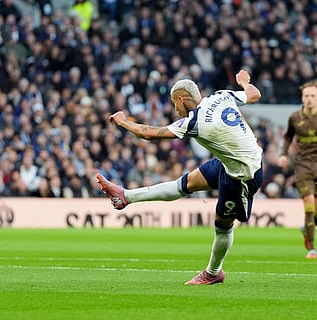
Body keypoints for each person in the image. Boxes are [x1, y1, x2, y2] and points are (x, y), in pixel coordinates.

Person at [96, 69, 263, 285]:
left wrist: (123, 122)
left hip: (243, 176)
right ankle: (125, 196)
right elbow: (254, 94)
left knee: (223, 224)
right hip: (230, 163)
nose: (175, 110)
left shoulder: (194, 122)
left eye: (175, 104)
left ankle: (213, 272)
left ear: (182, 99)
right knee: (186, 183)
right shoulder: (221, 95)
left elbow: (149, 133)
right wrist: (243, 82)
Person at [278, 80, 317, 259]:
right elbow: (287, 138)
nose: (309, 99)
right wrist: (283, 154)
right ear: (302, 97)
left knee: (314, 211)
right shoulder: (295, 117)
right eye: (307, 96)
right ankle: (312, 249)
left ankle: (307, 227)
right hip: (303, 166)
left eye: (313, 96)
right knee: (309, 206)